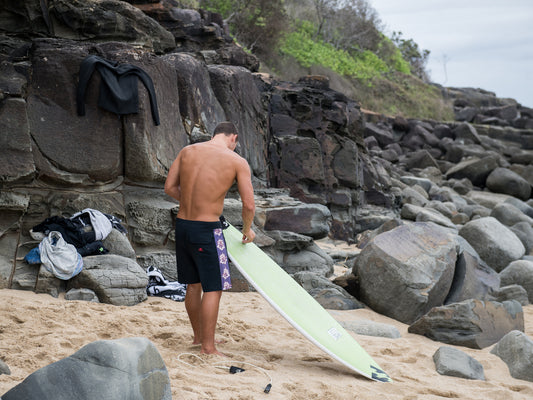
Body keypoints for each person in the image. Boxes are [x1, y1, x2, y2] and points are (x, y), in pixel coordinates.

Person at [164, 121, 256, 356]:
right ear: (233, 137)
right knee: (214, 288)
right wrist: (247, 229)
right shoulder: (236, 161)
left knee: (193, 285)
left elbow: (169, 187)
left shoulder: (187, 151)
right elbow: (248, 204)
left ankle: (198, 338)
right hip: (208, 230)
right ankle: (208, 346)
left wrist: (189, 203)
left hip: (183, 226)